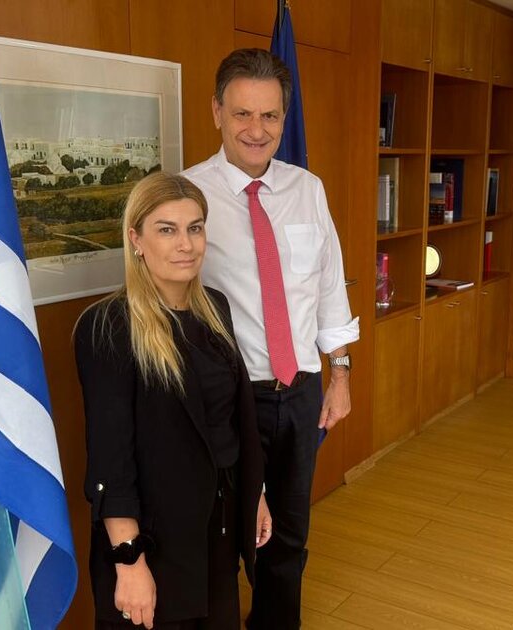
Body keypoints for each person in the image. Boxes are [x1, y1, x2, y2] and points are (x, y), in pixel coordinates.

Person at [182, 48, 359, 630]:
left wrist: (339, 374)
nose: (256, 130)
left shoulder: (307, 189)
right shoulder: (188, 195)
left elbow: (328, 285)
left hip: (300, 391)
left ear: (285, 117)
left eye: (270, 116)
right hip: (229, 399)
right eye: (242, 114)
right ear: (217, 112)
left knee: (287, 538)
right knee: (226, 535)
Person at [74, 172, 272, 629]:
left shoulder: (215, 309)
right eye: (167, 230)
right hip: (153, 542)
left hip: (216, 530)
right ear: (136, 239)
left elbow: (232, 424)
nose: (186, 244)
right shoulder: (107, 327)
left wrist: (254, 494)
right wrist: (129, 562)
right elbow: (110, 459)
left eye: (194, 228)